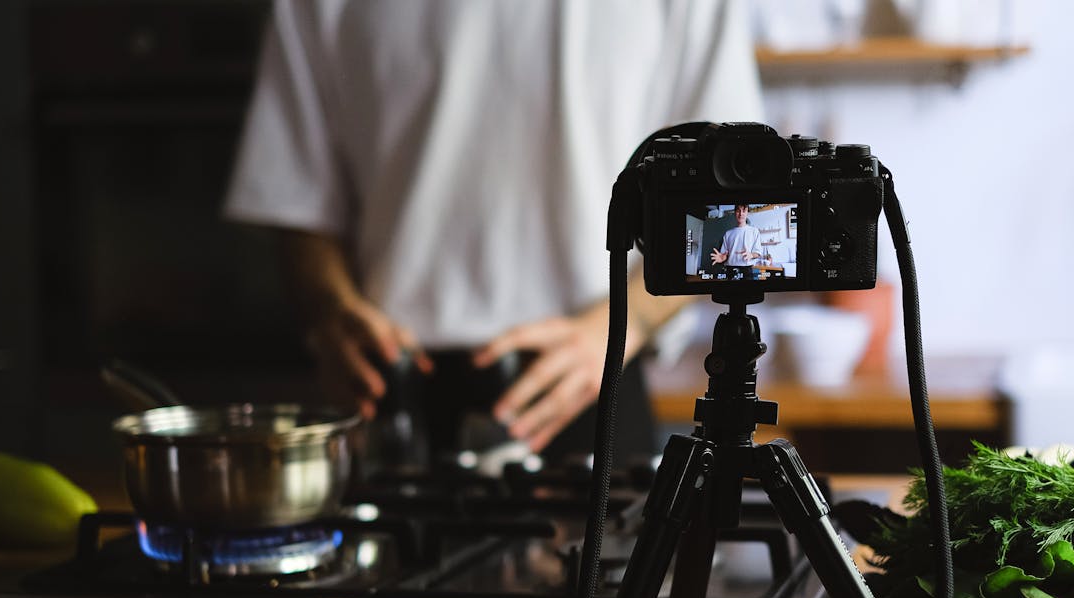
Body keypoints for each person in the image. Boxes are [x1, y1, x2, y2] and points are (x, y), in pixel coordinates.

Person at [224, 0, 763, 464]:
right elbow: (295, 200)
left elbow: (735, 198)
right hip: (391, 396)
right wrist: (332, 310)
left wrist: (624, 323)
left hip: (594, 388)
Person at [710, 205, 765, 278]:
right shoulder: (728, 233)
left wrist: (751, 255)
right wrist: (723, 258)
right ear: (735, 212)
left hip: (747, 270)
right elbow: (725, 254)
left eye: (744, 211)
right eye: (738, 211)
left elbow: (758, 253)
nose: (741, 214)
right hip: (730, 270)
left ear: (747, 212)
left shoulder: (754, 231)